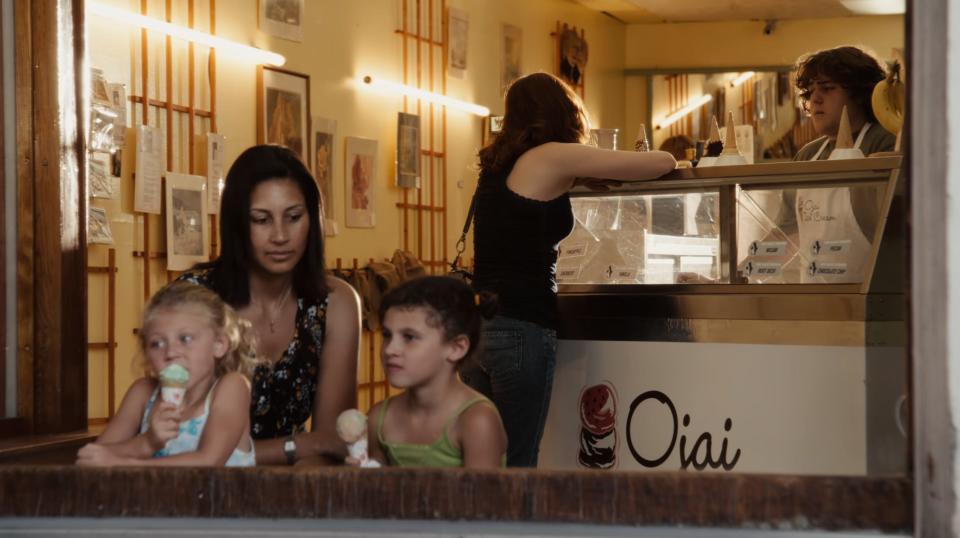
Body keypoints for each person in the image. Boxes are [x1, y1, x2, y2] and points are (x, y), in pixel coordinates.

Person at [460, 72, 676, 467]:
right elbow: (663, 161)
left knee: (481, 461)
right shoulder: (555, 155)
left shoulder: (495, 166)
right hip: (523, 326)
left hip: (480, 331)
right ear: (562, 112)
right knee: (518, 463)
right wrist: (587, 169)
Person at [179, 144, 361, 465]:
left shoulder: (336, 302)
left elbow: (333, 442)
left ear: (312, 220)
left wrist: (297, 489)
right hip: (200, 488)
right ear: (237, 225)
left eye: (293, 217)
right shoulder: (193, 300)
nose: (280, 235)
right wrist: (298, 447)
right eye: (261, 219)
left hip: (296, 489)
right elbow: (183, 446)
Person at [76, 281, 259, 466]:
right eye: (157, 343)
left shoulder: (232, 387)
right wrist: (148, 442)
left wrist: (127, 464)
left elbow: (208, 461)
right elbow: (93, 457)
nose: (171, 353)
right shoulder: (143, 393)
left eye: (185, 339)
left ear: (219, 344)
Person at [363, 276, 506, 468]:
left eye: (409, 337)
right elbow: (375, 494)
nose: (390, 349)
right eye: (387, 335)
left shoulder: (477, 421)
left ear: (456, 348)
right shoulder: (379, 419)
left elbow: (482, 498)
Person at [781, 46, 896, 283]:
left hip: (874, 298)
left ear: (860, 94)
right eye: (810, 92)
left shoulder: (885, 141)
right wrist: (739, 275)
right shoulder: (808, 155)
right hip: (816, 300)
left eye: (827, 88)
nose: (815, 98)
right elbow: (787, 234)